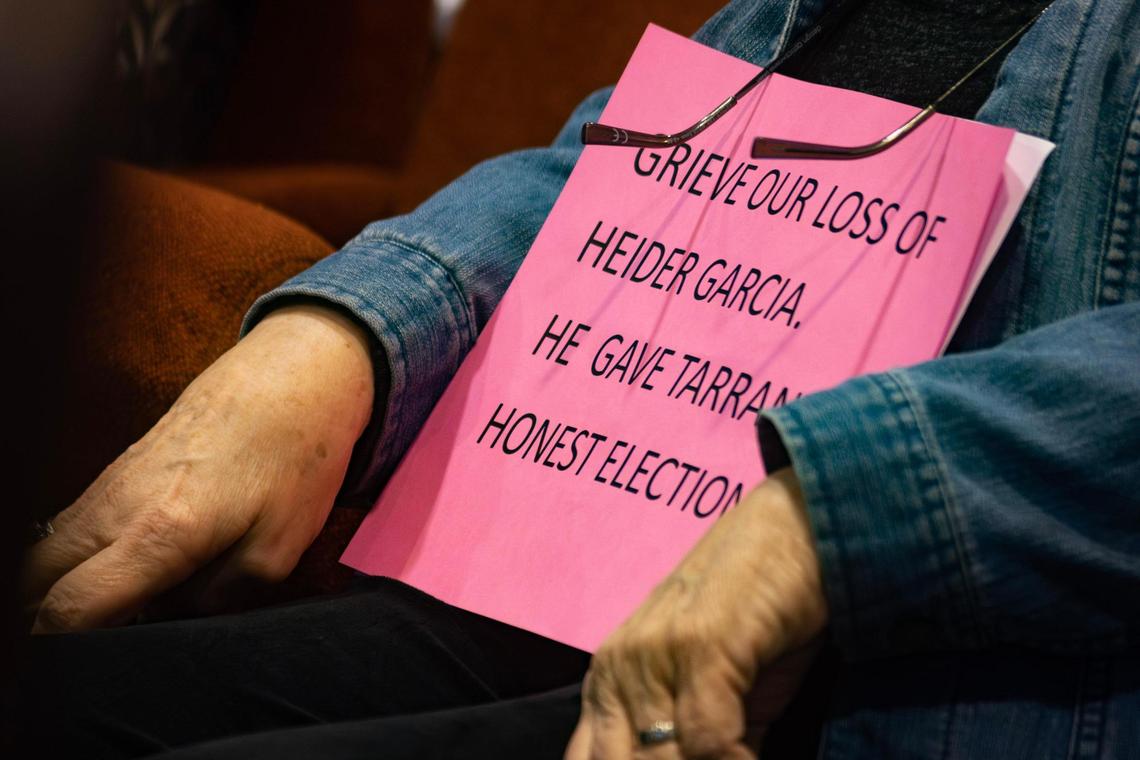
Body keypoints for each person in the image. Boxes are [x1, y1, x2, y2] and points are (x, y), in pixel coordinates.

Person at [18, 0, 1140, 757]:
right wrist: (334, 339)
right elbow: (636, 161)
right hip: (536, 597)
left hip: (905, 689)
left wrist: (831, 510)